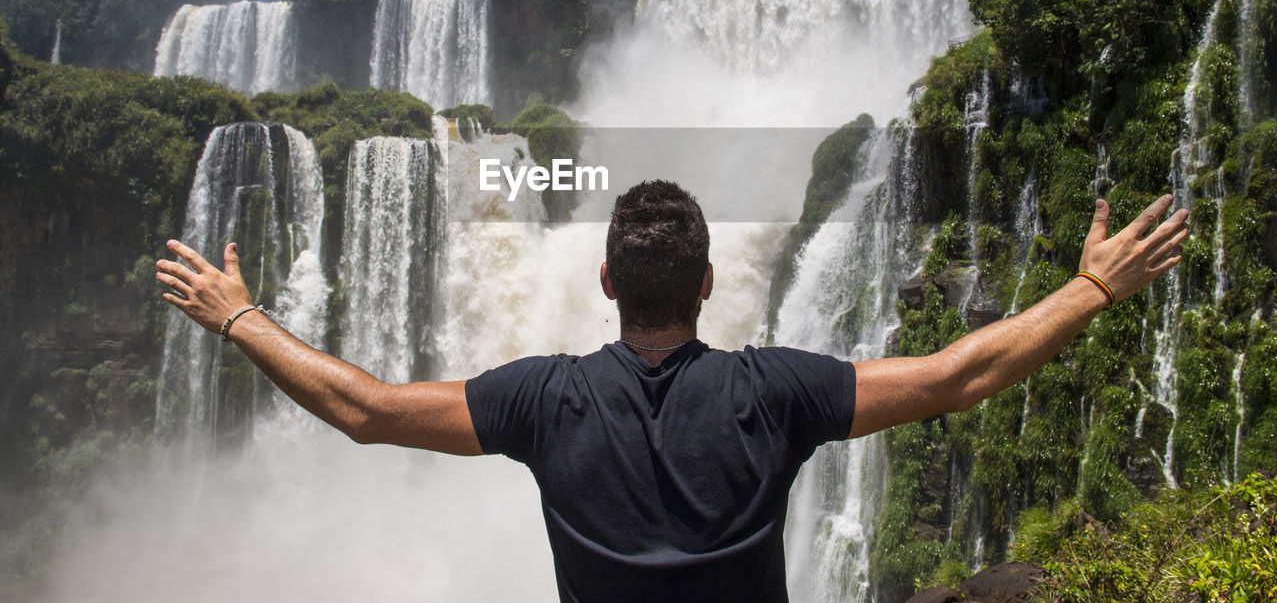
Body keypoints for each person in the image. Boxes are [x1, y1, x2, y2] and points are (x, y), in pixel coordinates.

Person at [156, 180, 1188, 603]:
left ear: (606, 282)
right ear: (705, 282)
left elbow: (366, 408)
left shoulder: (537, 397)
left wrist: (238, 313)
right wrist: (1092, 283)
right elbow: (963, 374)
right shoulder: (775, 389)